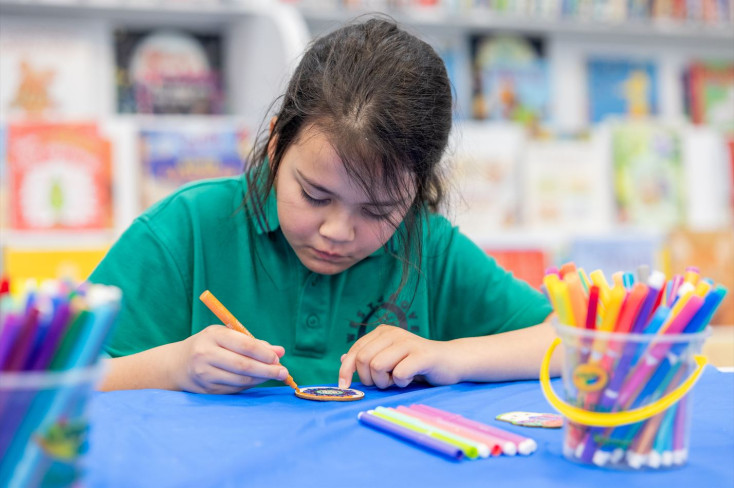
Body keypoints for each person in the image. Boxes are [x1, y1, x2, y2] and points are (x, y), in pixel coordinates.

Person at [91, 17, 559, 394]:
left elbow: (573, 341)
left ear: (417, 192)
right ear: (276, 145)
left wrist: (451, 356)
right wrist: (171, 368)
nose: (338, 231)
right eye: (315, 196)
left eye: (378, 211)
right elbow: (41, 381)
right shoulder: (185, 229)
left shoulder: (426, 246)